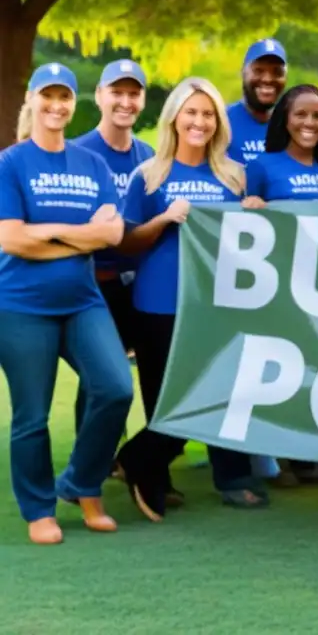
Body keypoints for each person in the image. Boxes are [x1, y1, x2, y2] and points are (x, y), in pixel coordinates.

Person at [114, 77, 265, 521]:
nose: (199, 121)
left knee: (220, 392)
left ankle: (148, 462)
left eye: (208, 113)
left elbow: (251, 243)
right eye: (191, 112)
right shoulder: (150, 174)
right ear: (174, 118)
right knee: (165, 400)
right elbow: (127, 241)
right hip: (159, 303)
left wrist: (255, 210)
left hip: (219, 302)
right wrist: (163, 218)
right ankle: (153, 476)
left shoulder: (235, 175)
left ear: (218, 121)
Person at [0, 63, 134, 545]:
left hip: (83, 302)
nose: (57, 105)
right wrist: (82, 237)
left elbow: (113, 233)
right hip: (20, 306)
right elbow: (13, 240)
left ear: (75, 103)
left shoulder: (92, 165)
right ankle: (39, 509)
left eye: (65, 97)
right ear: (32, 100)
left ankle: (81, 486)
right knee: (31, 414)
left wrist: (49, 233)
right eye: (48, 96)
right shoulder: (11, 163)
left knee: (116, 388)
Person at [242, 84, 318, 485]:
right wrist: (250, 208)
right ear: (286, 118)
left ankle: (304, 455)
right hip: (276, 287)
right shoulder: (264, 167)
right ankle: (265, 455)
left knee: (313, 370)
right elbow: (243, 228)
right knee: (273, 370)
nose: (309, 122)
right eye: (301, 114)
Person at [70, 59, 154, 435]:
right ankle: (93, 464)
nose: (125, 101)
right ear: (100, 96)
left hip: (140, 283)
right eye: (116, 92)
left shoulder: (150, 156)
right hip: (94, 283)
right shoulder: (77, 153)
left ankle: (130, 461)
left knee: (143, 372)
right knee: (100, 378)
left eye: (133, 93)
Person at [226, 38, 288, 164]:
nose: (267, 79)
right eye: (258, 71)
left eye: (277, 72)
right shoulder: (222, 121)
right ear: (243, 73)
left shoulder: (293, 126)